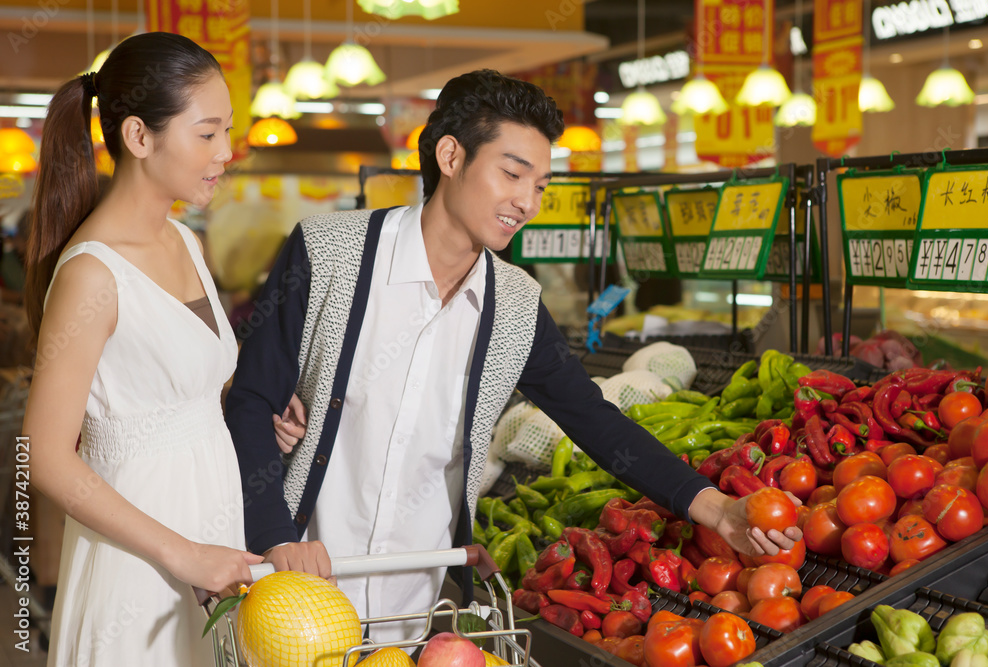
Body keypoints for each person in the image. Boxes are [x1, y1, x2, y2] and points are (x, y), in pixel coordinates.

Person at [226, 69, 802, 644]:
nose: (525, 202)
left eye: (542, 185)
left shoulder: (515, 305)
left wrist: (718, 510)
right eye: (512, 173)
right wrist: (277, 536)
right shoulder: (329, 252)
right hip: (298, 587)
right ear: (451, 156)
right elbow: (253, 399)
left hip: (417, 605)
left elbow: (593, 418)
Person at [23, 32, 264, 666]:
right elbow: (44, 458)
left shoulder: (185, 241)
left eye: (227, 132)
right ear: (138, 137)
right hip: (140, 556)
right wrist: (183, 554)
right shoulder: (92, 275)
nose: (226, 152)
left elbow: (182, 394)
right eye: (207, 133)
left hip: (212, 532)